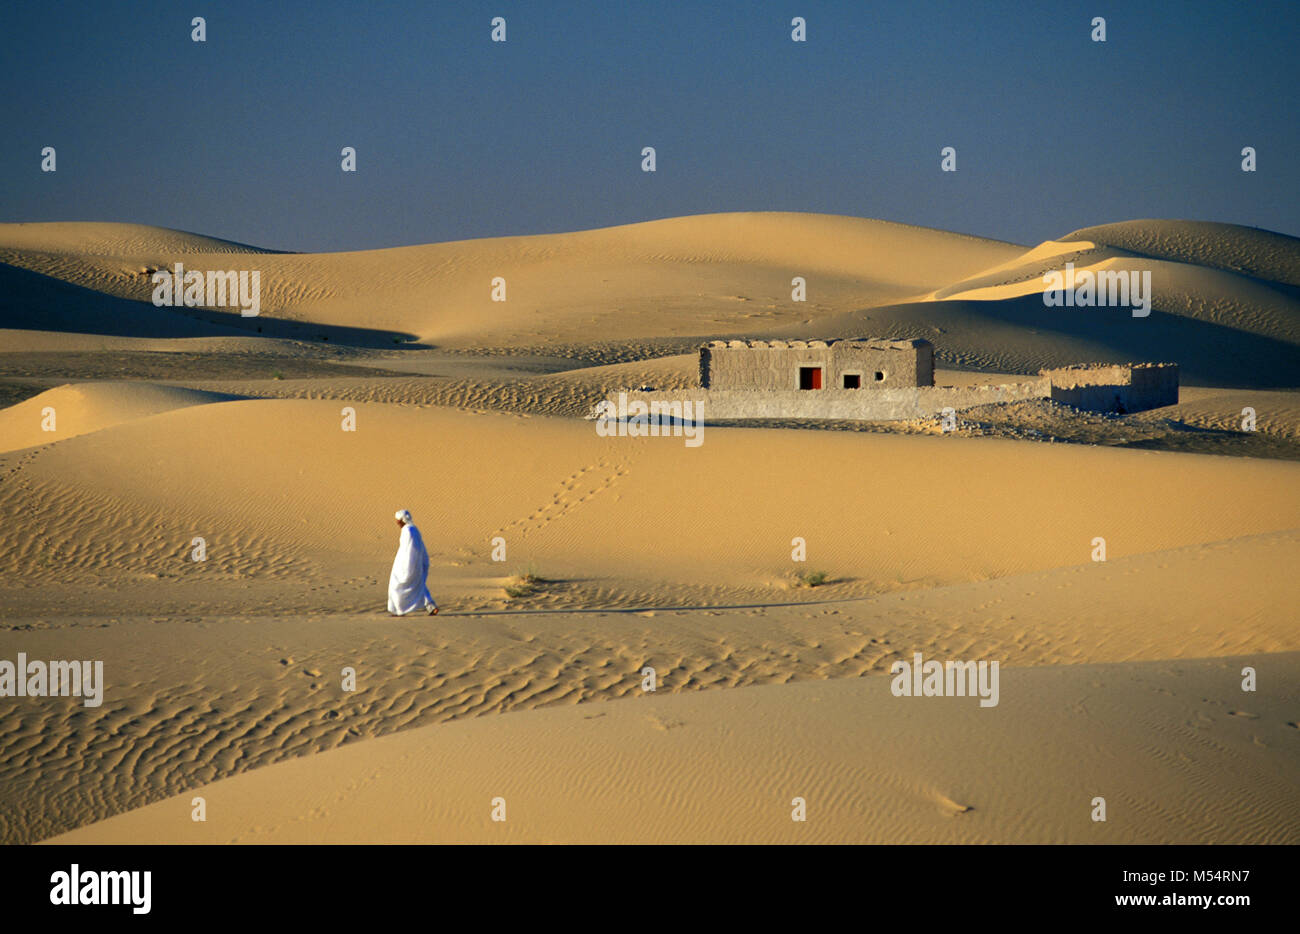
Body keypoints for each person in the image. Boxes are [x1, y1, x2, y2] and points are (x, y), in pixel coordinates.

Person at [388, 509, 438, 616]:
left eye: (398, 520)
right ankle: (431, 606)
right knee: (419, 585)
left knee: (397, 586)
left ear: (402, 520)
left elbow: (409, 550)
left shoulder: (408, 531)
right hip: (415, 563)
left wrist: (407, 566)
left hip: (408, 564)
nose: (397, 522)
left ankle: (399, 610)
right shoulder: (413, 529)